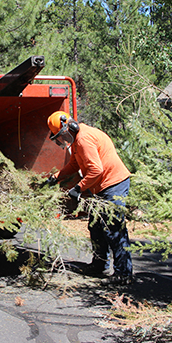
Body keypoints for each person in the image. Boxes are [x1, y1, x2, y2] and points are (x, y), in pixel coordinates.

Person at [46, 111, 133, 285]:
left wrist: (78, 188)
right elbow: (75, 164)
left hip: (113, 184)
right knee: (96, 227)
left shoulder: (84, 139)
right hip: (100, 186)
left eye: (62, 136)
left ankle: (124, 274)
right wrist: (56, 177)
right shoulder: (78, 141)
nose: (62, 141)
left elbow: (96, 170)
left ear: (70, 127)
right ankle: (99, 265)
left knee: (113, 229)